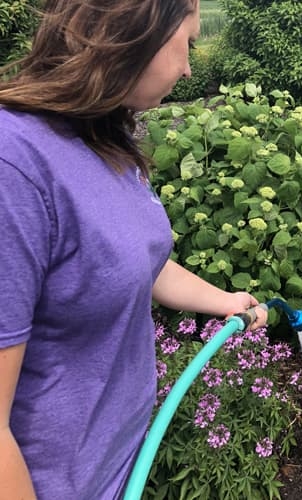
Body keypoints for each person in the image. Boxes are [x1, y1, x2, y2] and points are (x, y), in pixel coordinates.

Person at [0, 0, 267, 498]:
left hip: (114, 470)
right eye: (186, 42)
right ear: (135, 32)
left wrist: (225, 301)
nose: (189, 67)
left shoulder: (99, 136)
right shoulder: (13, 166)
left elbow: (131, 259)